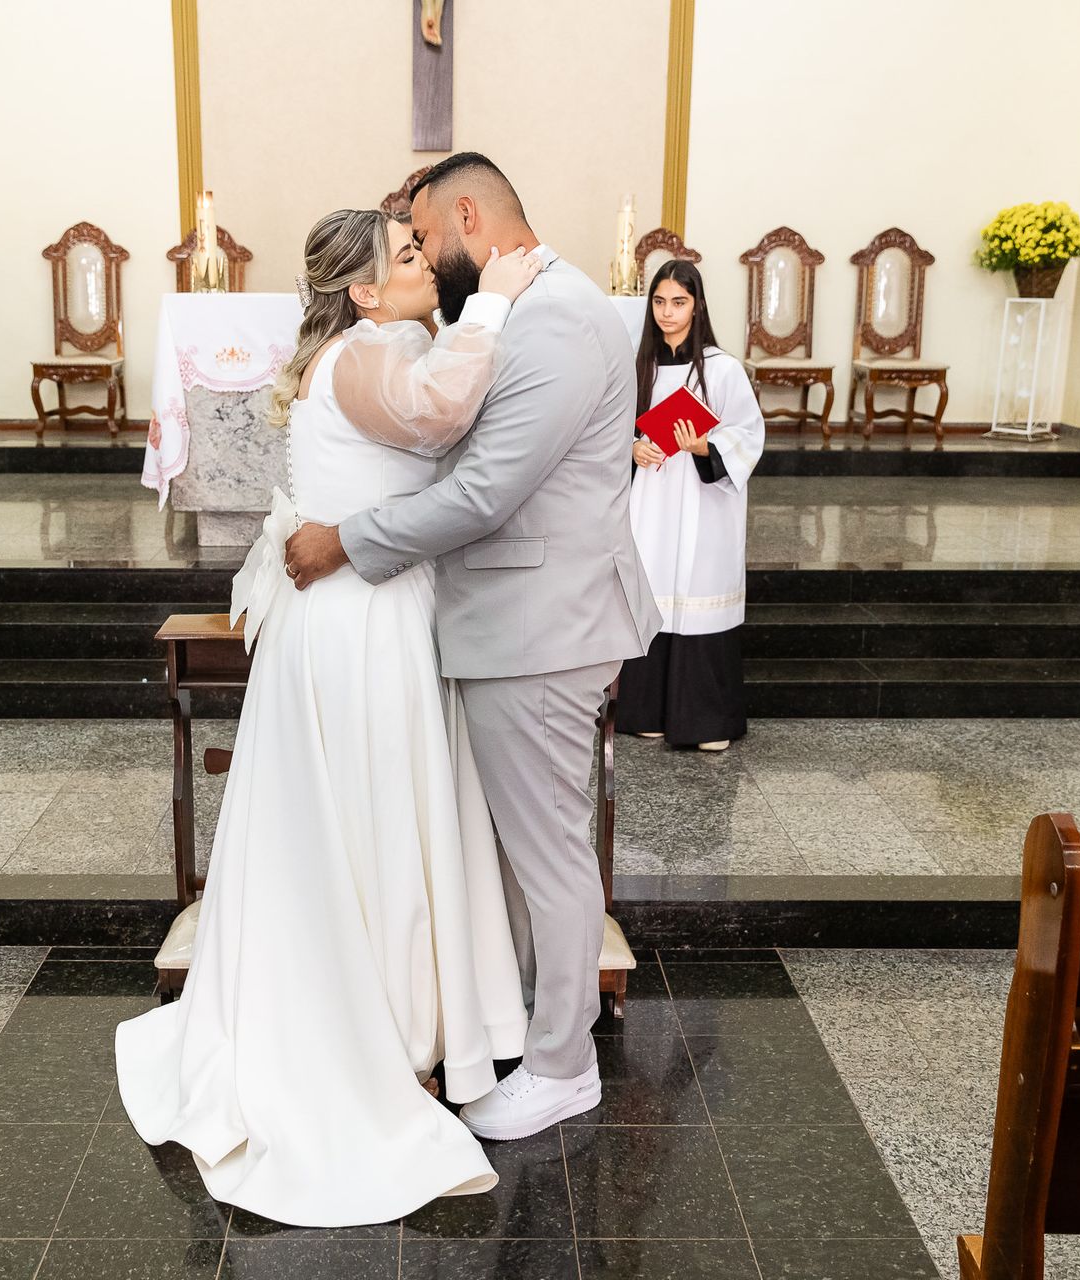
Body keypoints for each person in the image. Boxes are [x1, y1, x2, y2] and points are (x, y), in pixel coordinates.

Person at [115, 208, 545, 1227]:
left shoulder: (376, 345)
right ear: (359, 290)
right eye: (404, 256)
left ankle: (395, 1017)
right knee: (372, 816)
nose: (423, 262)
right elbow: (440, 418)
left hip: (363, 606)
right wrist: (494, 303)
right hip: (358, 627)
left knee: (368, 816)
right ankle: (382, 1033)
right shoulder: (360, 358)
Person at [284, 153, 662, 1142]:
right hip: (511, 619)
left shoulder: (560, 318)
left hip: (541, 626)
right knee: (514, 849)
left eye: (422, 233)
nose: (421, 254)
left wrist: (345, 540)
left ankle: (562, 1063)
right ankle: (520, 1024)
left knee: (548, 854)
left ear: (465, 216)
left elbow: (485, 490)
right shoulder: (514, 307)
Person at [619, 260, 765, 752]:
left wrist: (705, 446)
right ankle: (646, 710)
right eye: (659, 302)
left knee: (697, 592)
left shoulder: (722, 369)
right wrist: (632, 447)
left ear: (697, 304)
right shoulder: (640, 365)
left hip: (705, 505)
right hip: (654, 499)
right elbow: (615, 428)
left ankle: (705, 720)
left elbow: (748, 434)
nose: (667, 312)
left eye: (678, 302)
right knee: (654, 586)